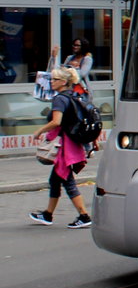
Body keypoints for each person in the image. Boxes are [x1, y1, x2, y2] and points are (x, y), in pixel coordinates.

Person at [28, 67, 91, 228]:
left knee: (68, 182)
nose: (51, 82)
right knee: (55, 180)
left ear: (63, 82)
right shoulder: (72, 95)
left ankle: (84, 216)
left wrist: (39, 131)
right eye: (51, 79)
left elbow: (56, 121)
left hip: (63, 146)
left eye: (54, 80)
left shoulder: (60, 100)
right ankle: (48, 215)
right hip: (71, 144)